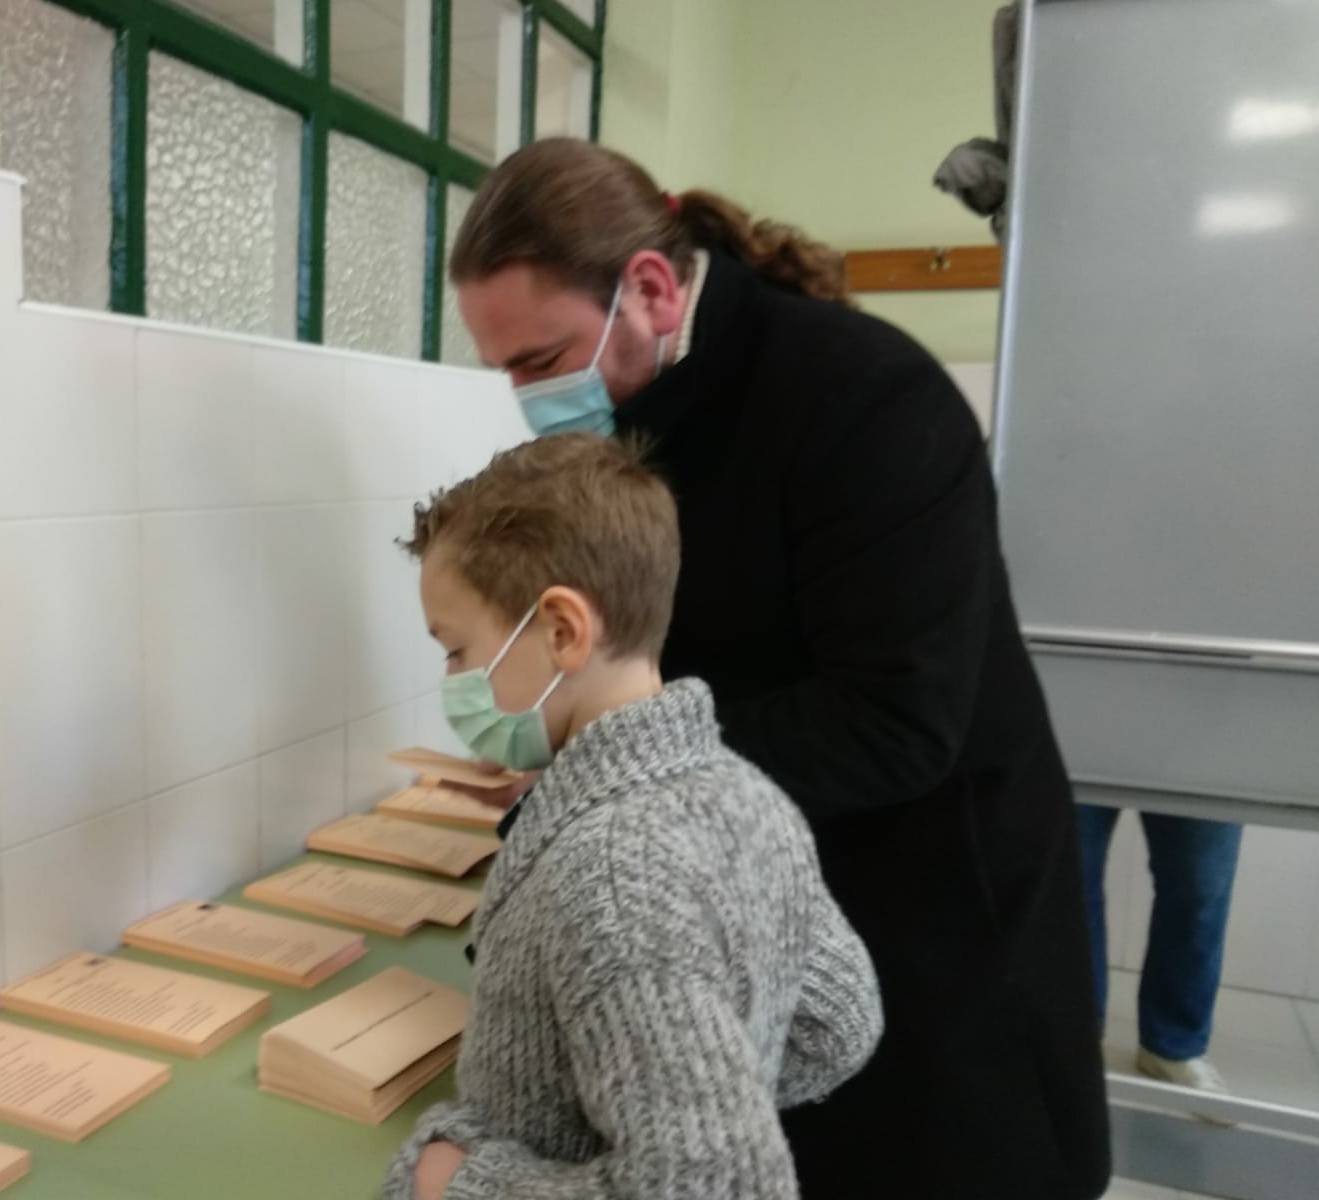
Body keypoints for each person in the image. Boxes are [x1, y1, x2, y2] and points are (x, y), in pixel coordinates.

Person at [443, 138, 1111, 1199]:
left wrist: (610, 789)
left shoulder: (866, 396)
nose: (529, 395)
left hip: (928, 905)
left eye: (540, 359)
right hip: (759, 875)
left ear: (651, 290)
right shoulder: (647, 400)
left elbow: (892, 719)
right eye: (508, 370)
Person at [383, 433, 882, 1200]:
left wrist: (461, 1185)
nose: (452, 678)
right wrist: (711, 1090)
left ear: (561, 631)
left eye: (456, 649)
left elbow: (718, 1187)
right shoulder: (748, 795)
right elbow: (840, 1020)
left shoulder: (612, 876)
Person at [1077, 805, 1242, 1097]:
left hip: (1208, 759)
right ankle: (1072, 1040)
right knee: (1067, 875)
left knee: (1201, 885)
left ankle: (1173, 1046)